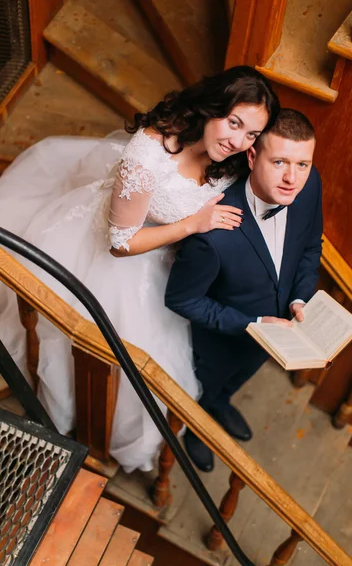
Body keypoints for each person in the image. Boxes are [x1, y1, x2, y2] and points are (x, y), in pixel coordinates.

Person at [0, 66, 279, 473]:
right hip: (112, 255)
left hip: (165, 261)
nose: (238, 141)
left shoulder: (234, 157)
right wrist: (190, 225)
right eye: (233, 122)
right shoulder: (149, 153)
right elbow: (119, 243)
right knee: (106, 351)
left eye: (251, 134)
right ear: (212, 107)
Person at [165, 108, 323, 472]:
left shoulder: (310, 184)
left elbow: (310, 246)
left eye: (302, 164)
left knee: (236, 380)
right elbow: (181, 298)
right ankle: (197, 429)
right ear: (252, 156)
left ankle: (221, 405)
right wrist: (252, 322)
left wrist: (299, 298)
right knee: (206, 388)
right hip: (220, 340)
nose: (292, 178)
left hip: (275, 333)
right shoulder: (213, 230)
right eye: (280, 161)